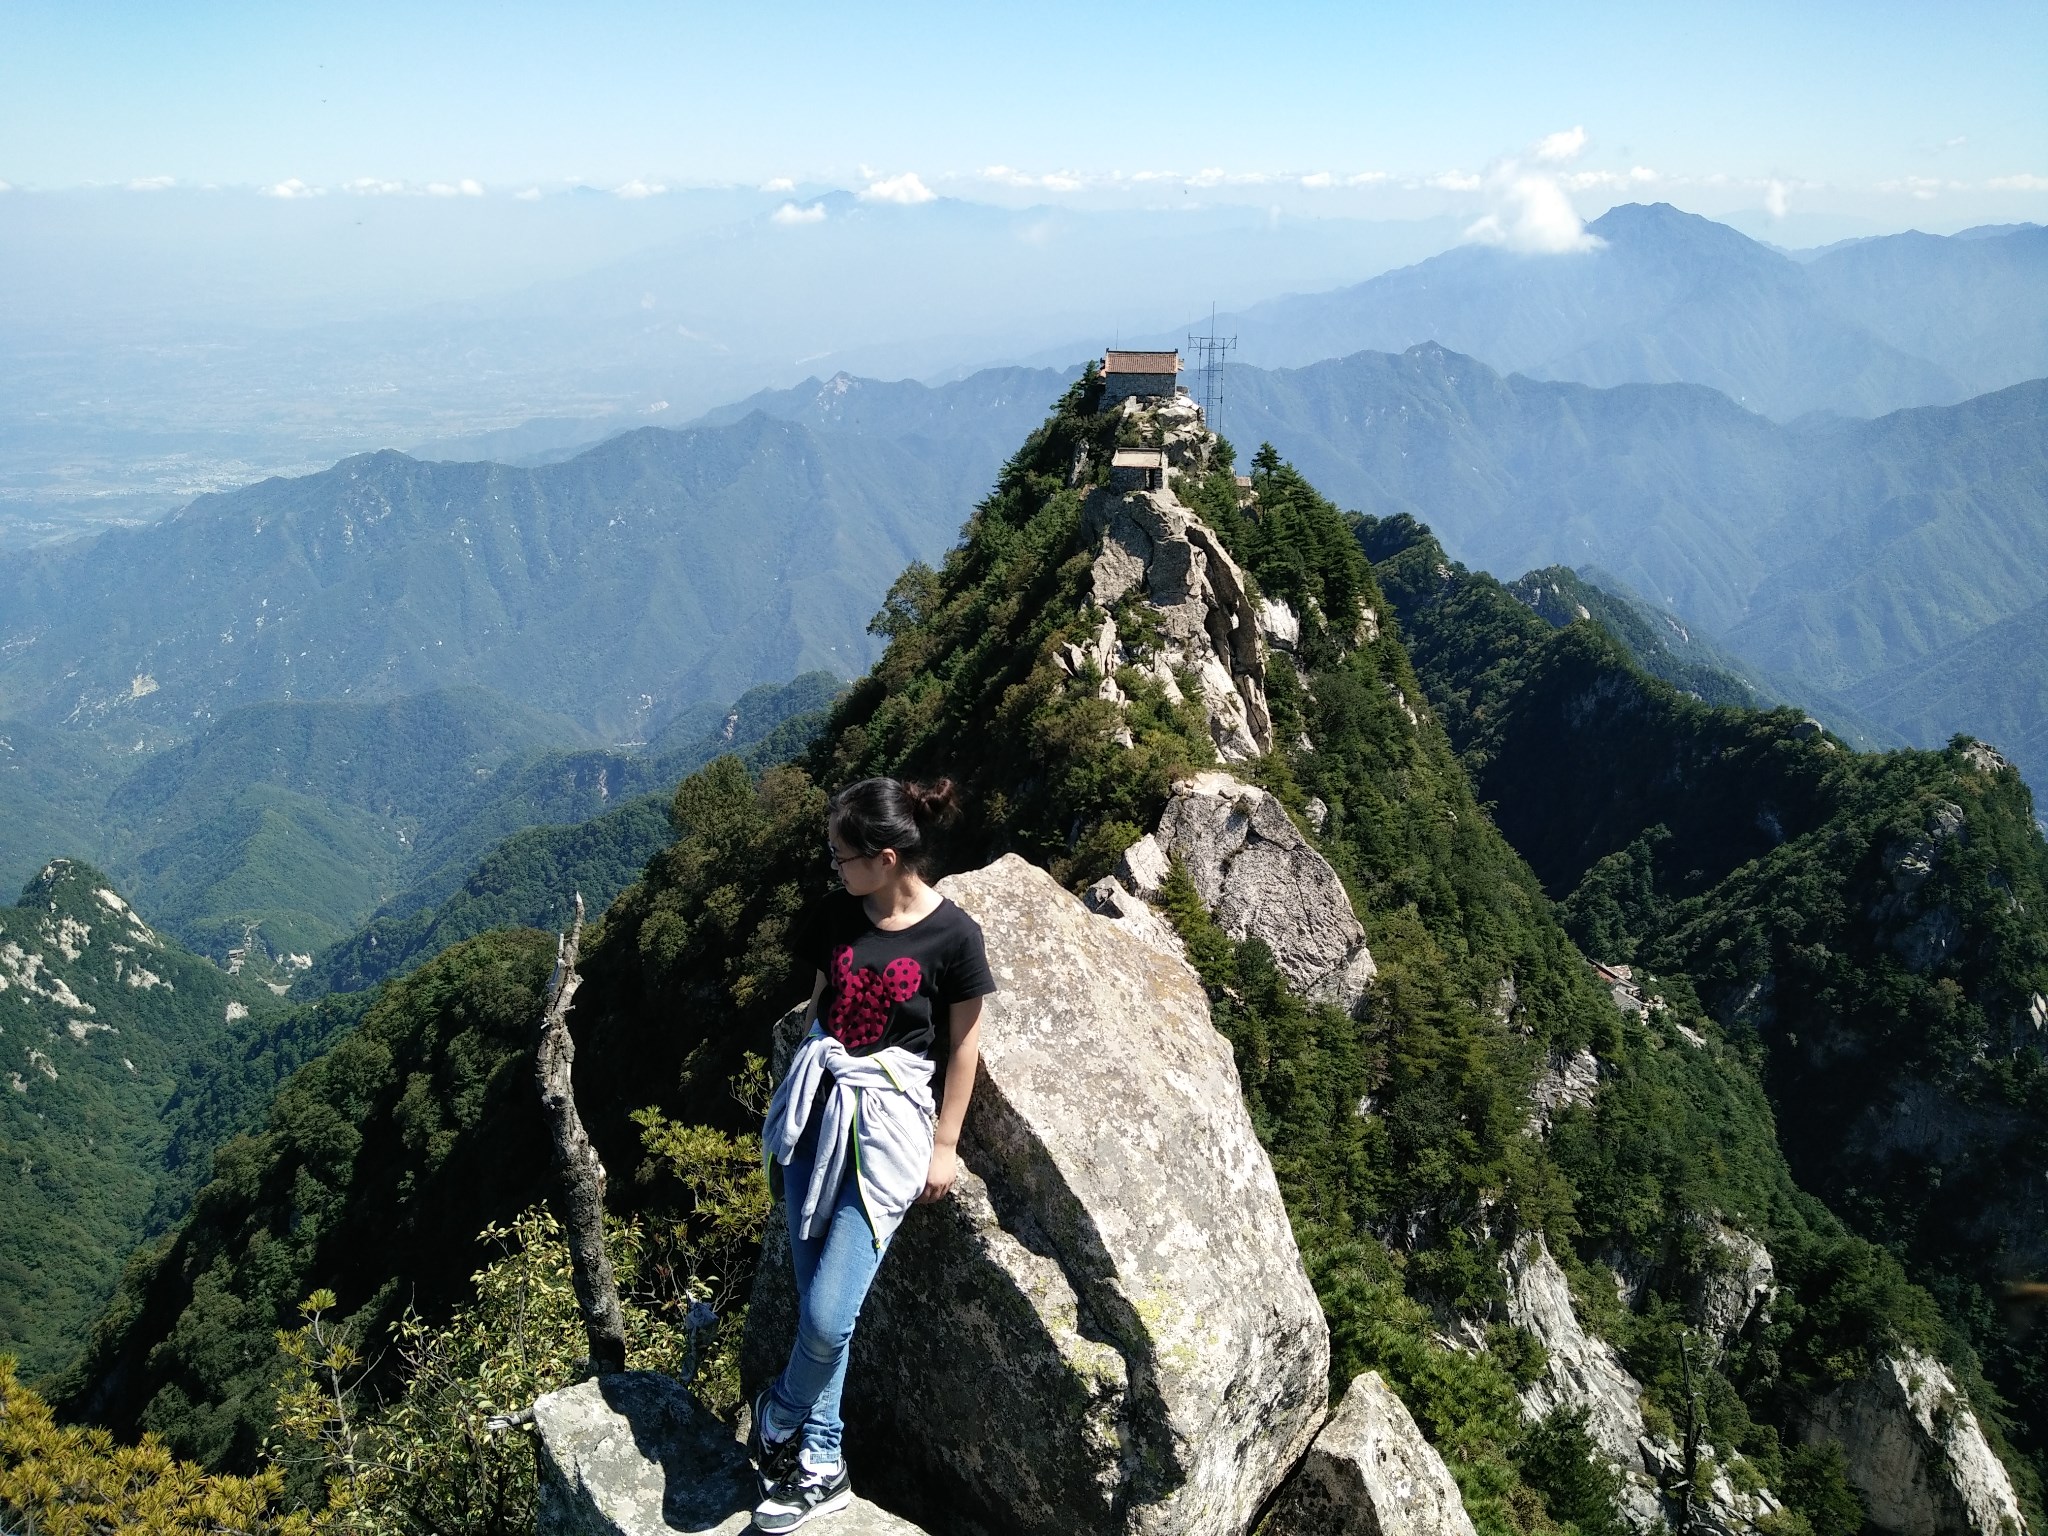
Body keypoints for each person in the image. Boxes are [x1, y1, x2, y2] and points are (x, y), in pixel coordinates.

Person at [748, 775, 995, 1532]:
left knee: (826, 1315)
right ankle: (822, 1461)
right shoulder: (836, 915)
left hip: (886, 1131)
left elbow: (963, 1047)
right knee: (823, 1300)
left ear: (886, 858)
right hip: (814, 1121)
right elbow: (823, 1007)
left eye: (843, 856)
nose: (834, 867)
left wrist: (945, 1144)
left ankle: (781, 1411)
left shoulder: (955, 937)